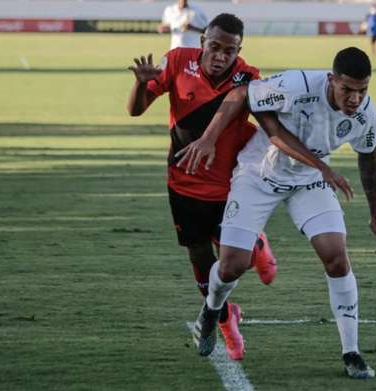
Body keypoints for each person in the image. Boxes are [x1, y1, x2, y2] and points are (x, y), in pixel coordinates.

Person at [188, 47, 376, 379]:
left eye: (362, 90)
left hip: (308, 181)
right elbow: (244, 95)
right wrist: (209, 138)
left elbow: (370, 156)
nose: (355, 98)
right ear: (331, 80)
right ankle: (211, 311)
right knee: (231, 266)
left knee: (336, 256)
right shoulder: (296, 85)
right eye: (348, 90)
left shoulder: (365, 113)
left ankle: (351, 352)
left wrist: (375, 214)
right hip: (258, 175)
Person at [126, 13, 280, 361]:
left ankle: (258, 245)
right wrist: (140, 84)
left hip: (229, 188)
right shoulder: (178, 61)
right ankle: (226, 322)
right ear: (202, 43)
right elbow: (136, 110)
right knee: (200, 259)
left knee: (235, 260)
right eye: (215, 47)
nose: (221, 56)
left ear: (239, 50)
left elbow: (268, 123)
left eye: (230, 50)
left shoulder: (248, 76)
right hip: (183, 182)